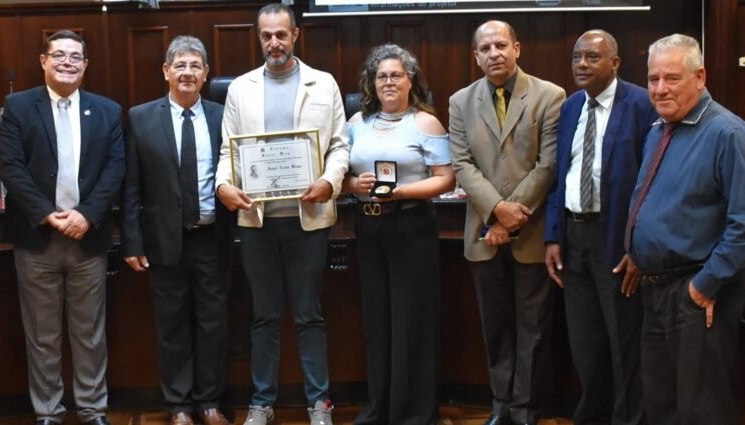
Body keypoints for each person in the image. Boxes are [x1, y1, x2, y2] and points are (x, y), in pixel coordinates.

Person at [214, 4, 349, 425]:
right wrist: (223, 186)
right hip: (258, 223)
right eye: (266, 36)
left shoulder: (323, 84)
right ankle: (262, 402)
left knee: (309, 314)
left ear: (296, 36)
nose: (274, 42)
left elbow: (340, 146)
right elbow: (227, 152)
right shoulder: (240, 88)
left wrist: (329, 180)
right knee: (264, 316)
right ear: (258, 38)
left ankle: (319, 403)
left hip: (308, 221)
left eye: (281, 35)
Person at [0, 29, 124, 425]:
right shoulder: (18, 107)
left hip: (88, 237)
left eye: (75, 57)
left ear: (85, 65)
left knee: (89, 332)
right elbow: (12, 167)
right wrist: (47, 214)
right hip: (38, 238)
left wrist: (86, 214)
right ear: (43, 60)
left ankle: (91, 409)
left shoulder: (107, 110)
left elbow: (115, 168)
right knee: (43, 334)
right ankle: (49, 412)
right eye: (59, 55)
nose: (67, 62)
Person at [448, 20, 564, 425]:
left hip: (531, 232)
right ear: (475, 56)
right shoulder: (460, 101)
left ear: (517, 48)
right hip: (483, 234)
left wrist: (510, 219)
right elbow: (461, 164)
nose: (494, 53)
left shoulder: (550, 96)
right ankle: (501, 407)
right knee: (495, 328)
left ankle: (526, 410)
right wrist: (496, 211)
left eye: (501, 45)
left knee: (532, 329)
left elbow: (548, 164)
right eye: (485, 48)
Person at [628, 33, 745, 425]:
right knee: (662, 406)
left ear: (700, 76)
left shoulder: (728, 134)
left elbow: (743, 223)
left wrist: (705, 287)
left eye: (672, 78)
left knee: (702, 410)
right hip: (655, 292)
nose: (660, 89)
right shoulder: (658, 129)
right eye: (653, 79)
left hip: (699, 295)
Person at [543, 30, 655, 425]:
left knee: (624, 344)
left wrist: (638, 247)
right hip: (574, 239)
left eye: (592, 57)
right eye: (577, 57)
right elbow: (562, 177)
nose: (582, 65)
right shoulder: (571, 107)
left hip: (618, 241)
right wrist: (553, 235)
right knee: (586, 345)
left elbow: (652, 183)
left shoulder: (641, 104)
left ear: (615, 64)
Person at [121, 36, 233, 425]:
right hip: (163, 241)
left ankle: (208, 402)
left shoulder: (223, 116)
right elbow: (131, 185)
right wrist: (131, 240)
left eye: (195, 66)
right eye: (179, 65)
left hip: (212, 238)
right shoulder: (140, 117)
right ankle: (179, 406)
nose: (187, 72)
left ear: (205, 75)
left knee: (213, 324)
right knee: (171, 325)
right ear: (166, 72)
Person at [342, 44, 455, 425]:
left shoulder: (426, 123)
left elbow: (446, 179)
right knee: (377, 321)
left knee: (412, 321)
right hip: (369, 227)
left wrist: (402, 191)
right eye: (381, 76)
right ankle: (379, 410)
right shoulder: (356, 122)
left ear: (411, 81)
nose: (388, 82)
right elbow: (342, 176)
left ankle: (414, 415)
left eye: (396, 75)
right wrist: (356, 183)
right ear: (371, 84)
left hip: (411, 225)